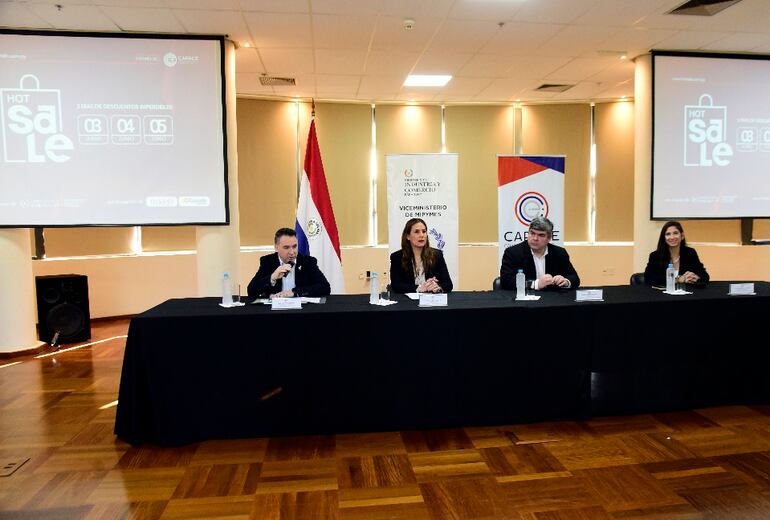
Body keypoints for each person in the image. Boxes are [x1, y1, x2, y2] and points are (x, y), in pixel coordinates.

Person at [247, 227, 331, 299]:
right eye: (286, 247)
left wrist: (294, 292)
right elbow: (251, 291)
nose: (292, 252)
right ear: (276, 247)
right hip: (275, 310)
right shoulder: (268, 261)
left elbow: (325, 287)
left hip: (302, 310)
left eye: (294, 246)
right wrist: (272, 278)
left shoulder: (308, 262)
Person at [500, 216, 579, 291]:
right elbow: (506, 281)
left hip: (552, 297)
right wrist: (535, 284)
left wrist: (565, 281)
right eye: (532, 233)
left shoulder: (559, 253)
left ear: (549, 238)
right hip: (526, 298)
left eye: (541, 235)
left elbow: (574, 278)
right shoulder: (513, 253)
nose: (535, 238)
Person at [389, 218, 453, 294]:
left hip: (431, 299)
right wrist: (419, 288)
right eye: (417, 232)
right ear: (408, 236)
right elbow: (396, 285)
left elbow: (448, 284)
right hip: (407, 300)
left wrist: (436, 286)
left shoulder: (437, 255)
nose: (422, 235)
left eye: (424, 231)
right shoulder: (397, 257)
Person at [643, 221, 709, 287]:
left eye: (675, 233)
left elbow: (705, 276)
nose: (672, 237)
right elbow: (648, 278)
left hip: (686, 292)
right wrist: (678, 279)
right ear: (664, 238)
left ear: (682, 236)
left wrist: (695, 277)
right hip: (662, 293)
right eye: (668, 234)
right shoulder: (655, 256)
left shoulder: (690, 253)